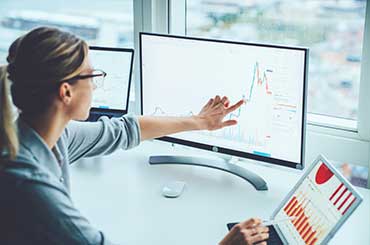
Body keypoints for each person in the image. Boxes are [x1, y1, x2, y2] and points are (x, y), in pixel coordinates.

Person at [0, 27, 269, 245]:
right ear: (66, 92)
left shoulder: (47, 137)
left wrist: (199, 121)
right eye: (91, 76)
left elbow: (124, 130)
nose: (95, 84)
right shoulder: (30, 184)